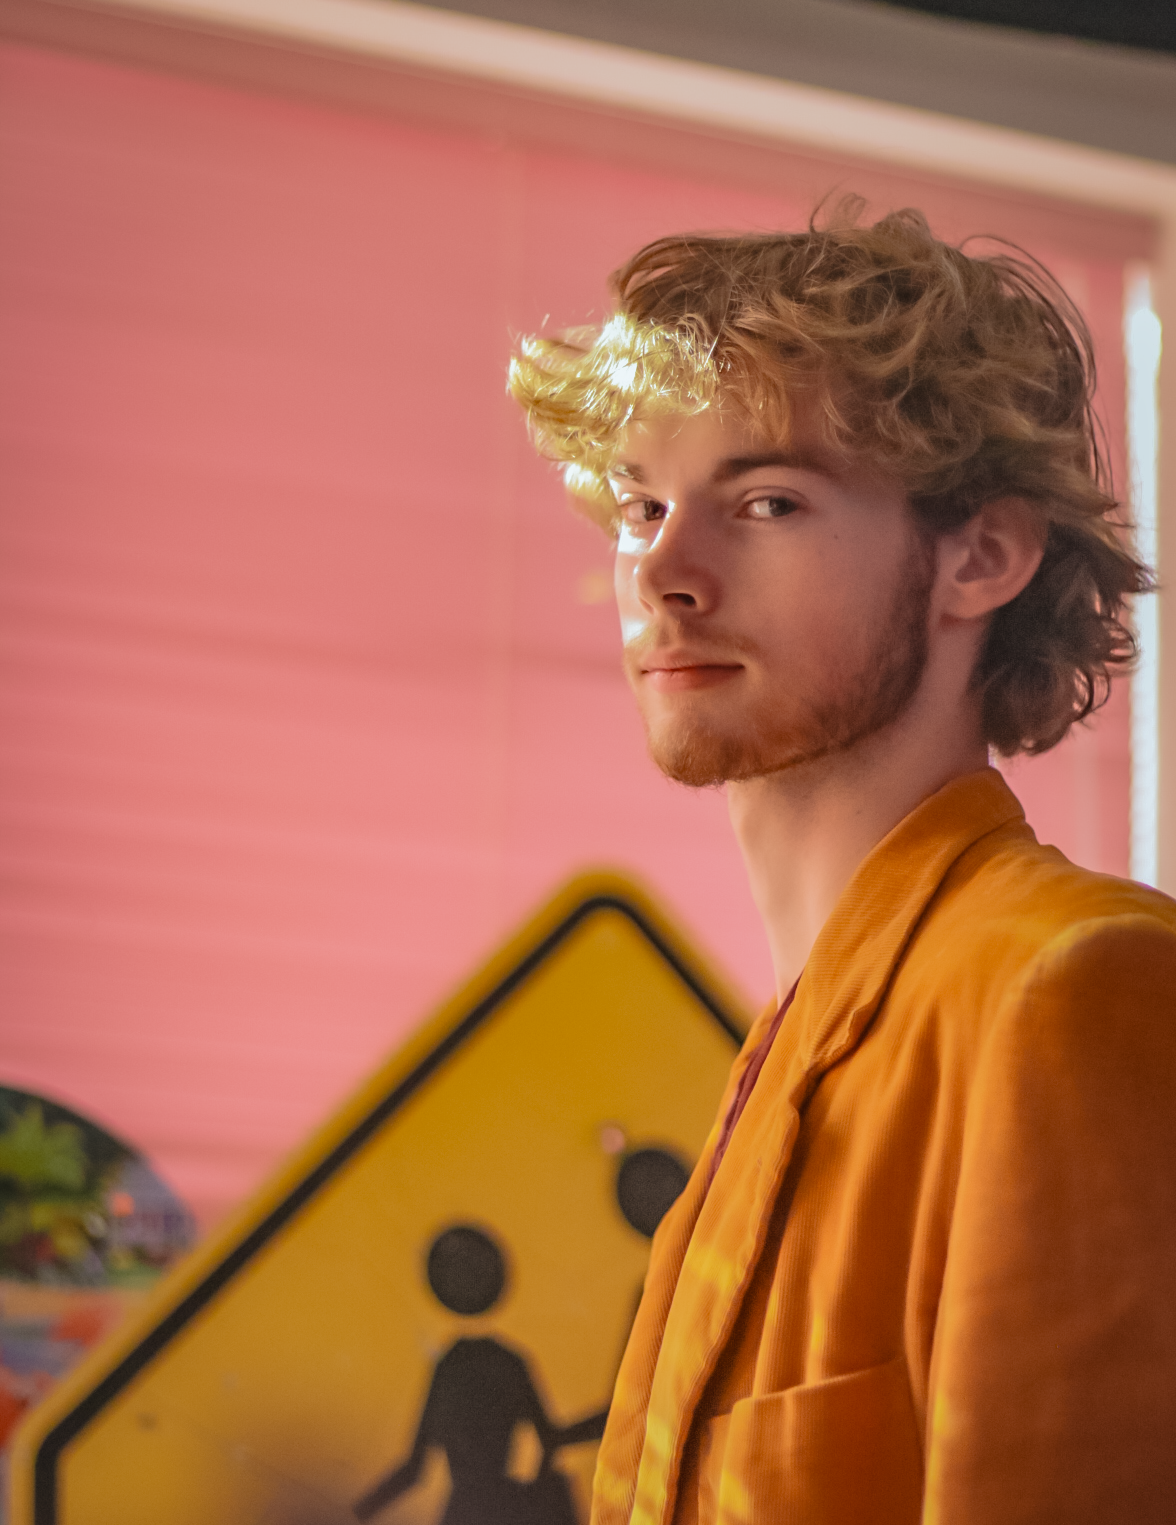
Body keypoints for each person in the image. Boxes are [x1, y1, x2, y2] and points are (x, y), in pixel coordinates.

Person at [507, 205, 1176, 1525]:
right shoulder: (771, 1078)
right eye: (641, 505)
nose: (664, 572)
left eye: (768, 501)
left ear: (981, 554)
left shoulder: (1078, 990)